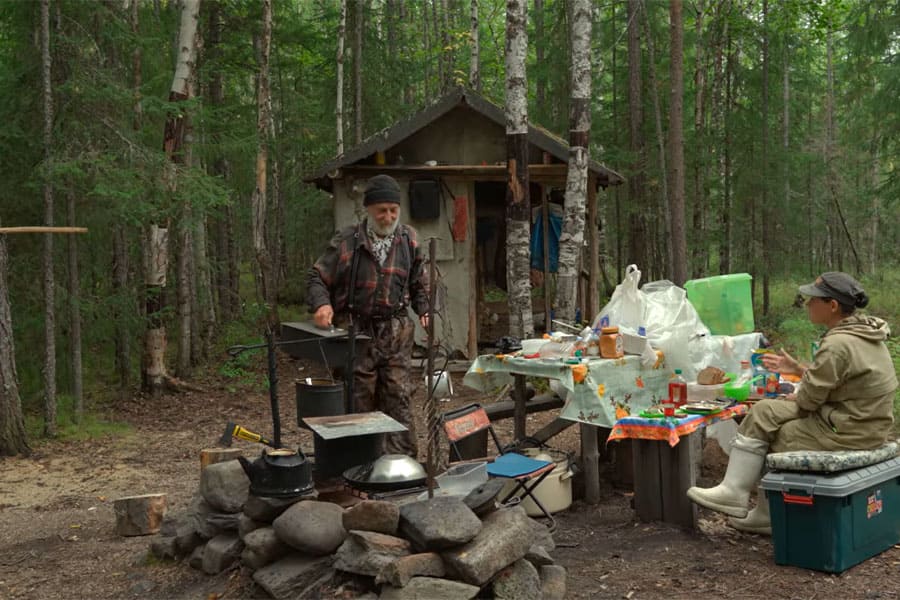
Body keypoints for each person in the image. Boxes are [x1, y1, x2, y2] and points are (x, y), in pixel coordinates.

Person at [687, 272, 897, 535]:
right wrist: (798, 370)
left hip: (850, 433)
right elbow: (839, 382)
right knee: (769, 414)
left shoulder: (837, 344)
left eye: (813, 299)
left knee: (773, 424)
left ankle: (744, 498)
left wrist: (795, 397)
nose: (807, 304)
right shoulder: (866, 334)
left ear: (832, 306)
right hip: (866, 424)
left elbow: (809, 401)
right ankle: (756, 507)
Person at [307, 174, 430, 458]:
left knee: (398, 397)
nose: (388, 217)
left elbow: (418, 282)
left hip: (396, 332)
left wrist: (424, 309)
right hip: (356, 332)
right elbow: (317, 277)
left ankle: (401, 467)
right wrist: (322, 305)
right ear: (368, 210)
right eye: (381, 210)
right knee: (358, 400)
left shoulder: (408, 240)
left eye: (393, 210)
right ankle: (359, 466)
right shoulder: (347, 240)